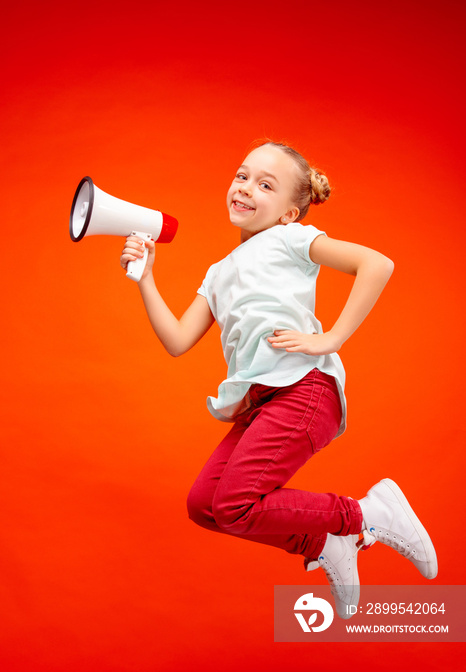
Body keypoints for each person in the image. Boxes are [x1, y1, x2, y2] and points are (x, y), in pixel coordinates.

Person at [120, 140, 437, 619]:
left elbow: (377, 264)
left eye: (265, 184)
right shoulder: (218, 272)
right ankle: (324, 545)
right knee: (205, 504)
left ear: (290, 212)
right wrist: (145, 279)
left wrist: (330, 338)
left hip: (304, 390)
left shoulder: (288, 239)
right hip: (264, 400)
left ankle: (370, 514)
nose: (245, 188)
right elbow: (178, 340)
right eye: (242, 175)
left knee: (233, 503)